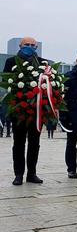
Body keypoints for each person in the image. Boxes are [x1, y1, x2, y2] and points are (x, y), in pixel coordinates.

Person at [3, 37, 46, 185]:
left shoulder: (42, 62)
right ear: (20, 46)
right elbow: (7, 83)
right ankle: (19, 174)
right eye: (27, 44)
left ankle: (32, 173)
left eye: (33, 45)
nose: (30, 47)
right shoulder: (11, 62)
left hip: (37, 109)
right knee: (19, 142)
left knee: (35, 142)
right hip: (19, 108)